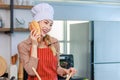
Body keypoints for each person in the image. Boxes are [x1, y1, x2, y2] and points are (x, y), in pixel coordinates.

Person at [17, 3, 76, 80]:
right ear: (36, 23)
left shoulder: (54, 43)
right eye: (46, 22)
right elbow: (31, 71)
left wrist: (66, 71)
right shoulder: (23, 45)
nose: (48, 27)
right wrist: (34, 45)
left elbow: (56, 68)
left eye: (51, 24)